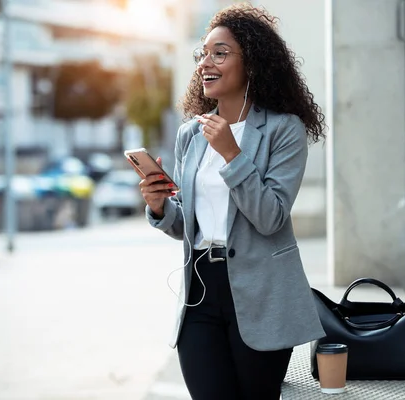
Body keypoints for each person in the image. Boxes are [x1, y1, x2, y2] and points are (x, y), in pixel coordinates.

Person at [140, 3, 326, 399]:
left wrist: (232, 155)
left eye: (219, 53)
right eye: (202, 53)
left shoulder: (283, 129)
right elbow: (188, 226)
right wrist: (159, 207)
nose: (206, 62)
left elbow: (271, 217)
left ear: (253, 63)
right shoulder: (190, 135)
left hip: (263, 294)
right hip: (200, 292)